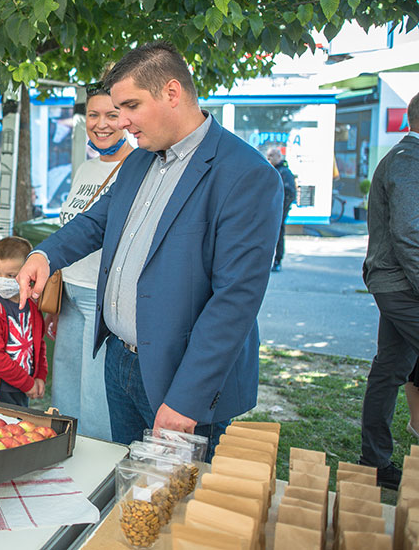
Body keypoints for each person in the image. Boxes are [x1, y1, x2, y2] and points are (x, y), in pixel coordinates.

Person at [16, 41, 282, 455]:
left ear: (172, 93)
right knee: (129, 486)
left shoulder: (246, 174)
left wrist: (187, 399)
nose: (121, 122)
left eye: (130, 106)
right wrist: (44, 255)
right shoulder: (139, 160)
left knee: (178, 495)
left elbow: (236, 300)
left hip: (180, 381)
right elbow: (97, 221)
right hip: (120, 363)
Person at [47, 83, 133, 439]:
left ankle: (98, 466)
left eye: (111, 115)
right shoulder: (85, 168)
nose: (101, 124)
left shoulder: (135, 167)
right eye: (93, 115)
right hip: (69, 293)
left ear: (126, 118)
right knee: (65, 394)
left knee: (96, 400)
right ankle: (63, 456)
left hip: (101, 296)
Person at [358, 91, 419, 490]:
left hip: (398, 284)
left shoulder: (406, 158)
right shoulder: (409, 161)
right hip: (401, 285)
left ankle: (375, 464)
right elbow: (409, 234)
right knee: (389, 371)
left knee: (389, 370)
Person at [0, 237, 47, 406]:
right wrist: (27, 383)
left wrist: (40, 376)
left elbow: (38, 343)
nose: (2, 280)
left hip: (22, 387)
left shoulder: (32, 304)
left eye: (11, 275)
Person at [266, 147, 297, 272]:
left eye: (271, 155)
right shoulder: (274, 170)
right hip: (272, 210)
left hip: (279, 210)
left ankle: (277, 260)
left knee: (278, 233)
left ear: (278, 156)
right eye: (268, 155)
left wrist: (280, 209)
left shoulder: (284, 172)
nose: (268, 158)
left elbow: (289, 193)